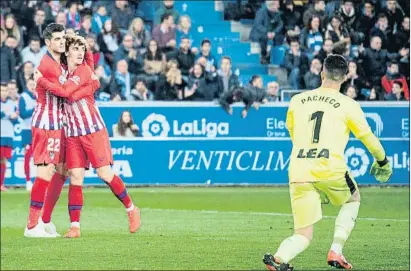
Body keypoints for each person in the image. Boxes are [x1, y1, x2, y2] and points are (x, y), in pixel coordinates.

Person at [262, 54, 392, 271]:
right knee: (353, 199)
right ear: (345, 78)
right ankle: (336, 250)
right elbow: (368, 137)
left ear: (322, 73)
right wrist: (382, 160)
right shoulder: (348, 104)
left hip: (299, 170)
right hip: (330, 168)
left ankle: (279, 258)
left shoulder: (297, 100)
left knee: (302, 234)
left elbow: (293, 133)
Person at [36, 34, 141, 238]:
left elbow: (67, 93)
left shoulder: (84, 70)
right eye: (76, 49)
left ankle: (131, 208)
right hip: (73, 134)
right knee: (75, 177)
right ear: (67, 52)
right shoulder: (63, 71)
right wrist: (89, 86)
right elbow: (70, 90)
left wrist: (82, 86)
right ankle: (75, 226)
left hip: (93, 131)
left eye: (82, 50)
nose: (80, 53)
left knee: (104, 174)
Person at [24, 23, 69, 238]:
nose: (62, 41)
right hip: (46, 124)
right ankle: (32, 226)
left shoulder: (60, 61)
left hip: (58, 123)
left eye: (63, 38)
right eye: (58, 39)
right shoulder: (47, 64)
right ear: (48, 42)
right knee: (46, 171)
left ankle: (45, 219)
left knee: (62, 170)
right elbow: (66, 92)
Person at [18, 77, 36, 191]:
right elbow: (23, 114)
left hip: (39, 130)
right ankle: (28, 180)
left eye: (34, 84)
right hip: (27, 131)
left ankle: (39, 180)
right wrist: (35, 109)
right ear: (27, 85)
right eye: (30, 84)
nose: (32, 86)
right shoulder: (23, 97)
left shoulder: (40, 96)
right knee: (27, 156)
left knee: (40, 158)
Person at [0, 83, 18, 191]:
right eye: (2, 90)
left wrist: (13, 117)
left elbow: (15, 120)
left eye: (5, 90)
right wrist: (8, 115)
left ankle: (1, 184)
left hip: (8, 135)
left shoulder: (12, 103)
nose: (4, 92)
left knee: (4, 160)